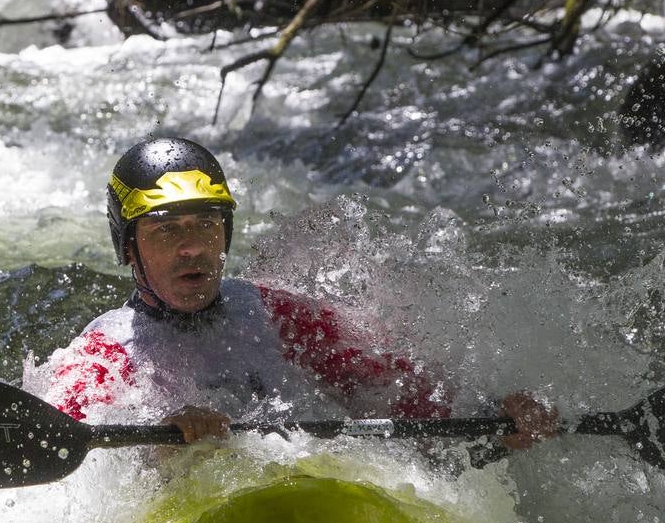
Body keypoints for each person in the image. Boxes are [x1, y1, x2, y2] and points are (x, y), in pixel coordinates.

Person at [36, 136, 557, 454]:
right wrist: (160, 448)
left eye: (207, 226)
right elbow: (64, 480)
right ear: (129, 249)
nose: (193, 248)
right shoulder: (103, 354)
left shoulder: (275, 314)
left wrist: (493, 421)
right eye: (167, 231)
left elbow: (392, 391)